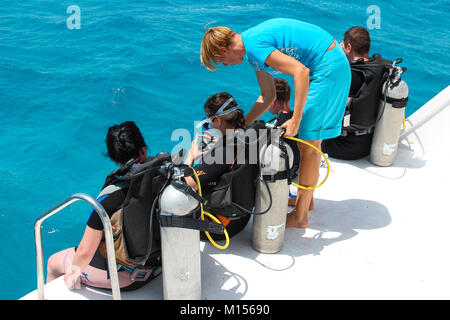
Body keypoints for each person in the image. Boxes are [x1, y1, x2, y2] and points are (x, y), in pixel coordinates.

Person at [200, 18, 351, 228]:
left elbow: (301, 72)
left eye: (221, 60)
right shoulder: (252, 49)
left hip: (328, 68)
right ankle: (305, 201)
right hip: (327, 64)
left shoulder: (254, 45)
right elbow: (268, 95)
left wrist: (295, 119)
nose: (225, 65)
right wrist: (242, 126)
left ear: (223, 48)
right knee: (309, 144)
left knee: (309, 146)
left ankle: (300, 216)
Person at [46, 121, 161, 291]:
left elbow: (85, 252)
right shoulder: (164, 173)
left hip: (131, 277)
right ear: (143, 149)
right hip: (160, 263)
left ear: (113, 157)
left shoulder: (110, 197)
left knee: (53, 263)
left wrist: (72, 276)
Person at [184, 92, 253, 241]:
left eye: (210, 122)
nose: (210, 126)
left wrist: (190, 157)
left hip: (219, 227)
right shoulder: (248, 135)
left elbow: (189, 184)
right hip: (242, 218)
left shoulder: (225, 151)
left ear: (218, 120)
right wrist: (219, 146)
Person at [322, 26, 392, 160]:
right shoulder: (381, 70)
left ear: (349, 47)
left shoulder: (348, 76)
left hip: (343, 146)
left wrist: (339, 55)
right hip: (371, 143)